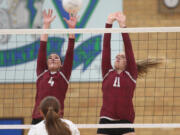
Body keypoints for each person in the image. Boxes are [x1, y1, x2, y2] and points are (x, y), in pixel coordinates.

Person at [97, 12, 161, 135]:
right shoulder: (107, 72)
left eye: (121, 57)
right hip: (106, 120)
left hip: (125, 121)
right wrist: (108, 24)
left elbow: (128, 48)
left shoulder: (131, 74)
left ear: (128, 62)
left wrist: (123, 26)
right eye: (117, 56)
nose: (117, 57)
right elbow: (106, 47)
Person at [31, 9, 77, 124]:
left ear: (61, 64)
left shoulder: (63, 75)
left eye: (56, 58)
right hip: (38, 118)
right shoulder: (41, 73)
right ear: (46, 63)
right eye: (50, 57)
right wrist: (46, 25)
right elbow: (42, 48)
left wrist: (72, 30)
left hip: (56, 119)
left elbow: (70, 52)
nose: (52, 58)